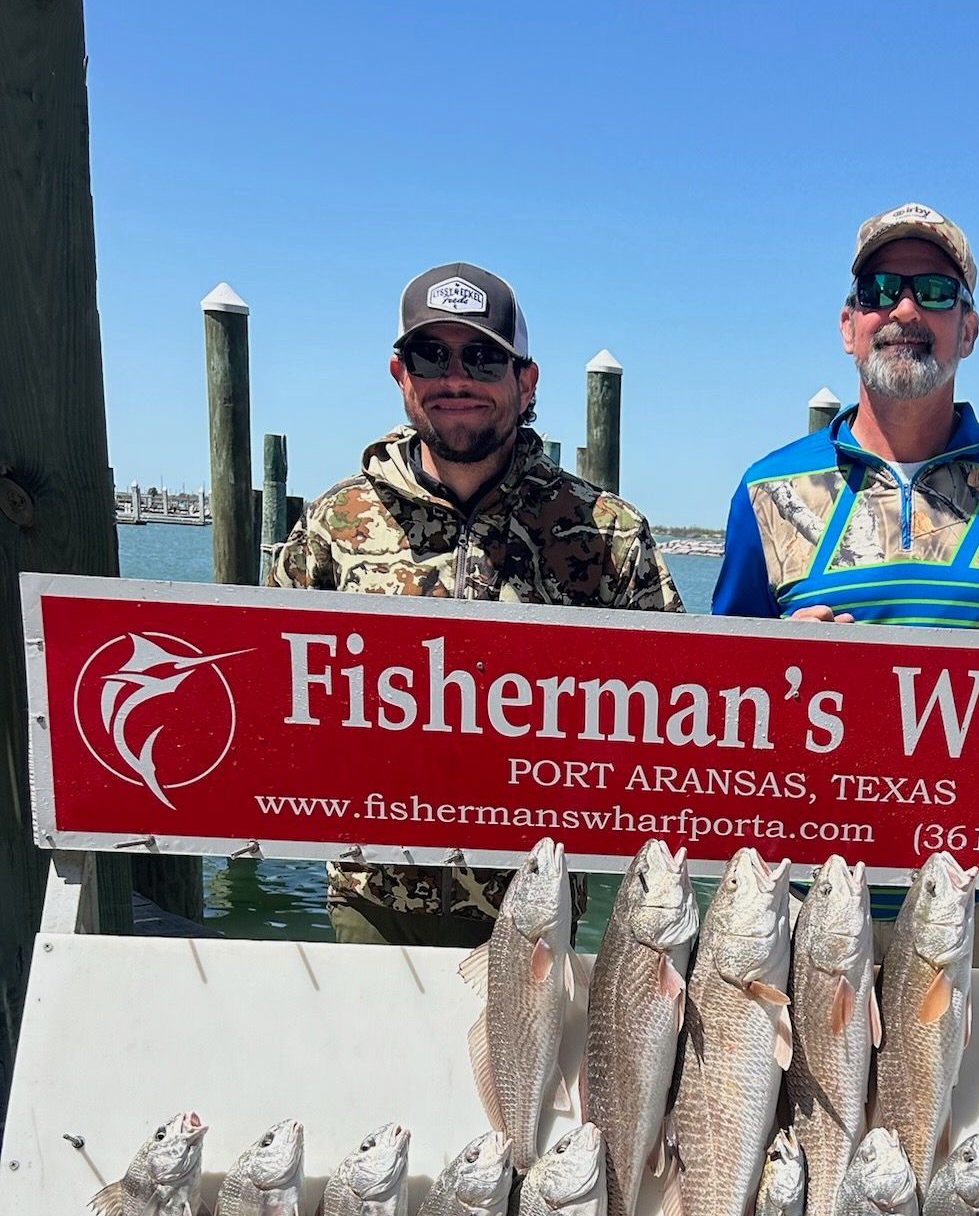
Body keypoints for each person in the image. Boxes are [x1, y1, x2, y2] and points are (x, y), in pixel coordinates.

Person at [711, 204, 979, 964]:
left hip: (965, 904)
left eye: (936, 292)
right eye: (883, 288)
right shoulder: (765, 488)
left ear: (971, 329)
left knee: (954, 1088)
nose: (907, 309)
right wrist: (769, 666)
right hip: (801, 902)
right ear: (850, 324)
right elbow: (715, 705)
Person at [269, 262, 680, 946]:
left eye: (484, 357)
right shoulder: (332, 523)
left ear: (527, 380)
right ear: (401, 374)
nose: (456, 377)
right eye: (433, 354)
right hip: (372, 900)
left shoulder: (609, 534)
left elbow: (683, 721)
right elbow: (266, 698)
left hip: (534, 908)